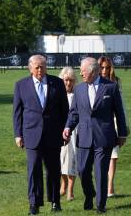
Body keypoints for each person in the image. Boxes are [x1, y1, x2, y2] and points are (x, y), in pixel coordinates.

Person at [62, 57, 128, 214]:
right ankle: (89, 194)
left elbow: (119, 112)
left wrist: (123, 133)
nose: (81, 74)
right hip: (84, 137)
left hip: (104, 137)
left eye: (83, 71)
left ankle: (100, 205)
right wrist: (67, 127)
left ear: (92, 71)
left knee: (100, 171)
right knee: (83, 170)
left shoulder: (111, 87)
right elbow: (74, 113)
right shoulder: (79, 89)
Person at [14, 55, 70, 215]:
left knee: (53, 170)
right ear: (30, 68)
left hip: (53, 134)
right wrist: (18, 134)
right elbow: (17, 113)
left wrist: (66, 130)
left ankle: (55, 202)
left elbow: (65, 110)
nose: (40, 70)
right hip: (31, 134)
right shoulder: (21, 85)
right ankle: (34, 203)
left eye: (43, 66)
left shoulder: (57, 83)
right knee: (33, 170)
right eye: (37, 67)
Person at [98, 56, 122, 198]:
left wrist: (124, 127)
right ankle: (102, 184)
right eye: (102, 67)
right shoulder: (94, 81)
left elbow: (121, 106)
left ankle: (110, 185)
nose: (105, 70)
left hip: (114, 122)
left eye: (107, 67)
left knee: (113, 156)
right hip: (100, 124)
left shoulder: (116, 82)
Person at [58, 66, 78, 202]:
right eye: (66, 80)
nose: (68, 83)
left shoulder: (77, 95)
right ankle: (63, 182)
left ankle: (70, 189)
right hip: (59, 131)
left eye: (70, 80)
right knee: (59, 160)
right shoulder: (57, 95)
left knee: (72, 160)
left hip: (75, 132)